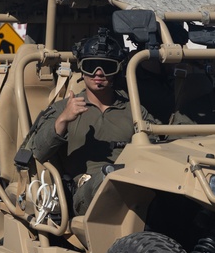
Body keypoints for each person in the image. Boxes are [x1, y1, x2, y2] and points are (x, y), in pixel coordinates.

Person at [26, 29, 157, 216]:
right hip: (87, 192)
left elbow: (159, 143)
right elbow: (38, 151)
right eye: (91, 66)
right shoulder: (63, 108)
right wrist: (63, 119)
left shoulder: (134, 109)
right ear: (81, 68)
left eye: (107, 67)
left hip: (136, 184)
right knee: (106, 178)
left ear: (117, 70)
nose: (98, 73)